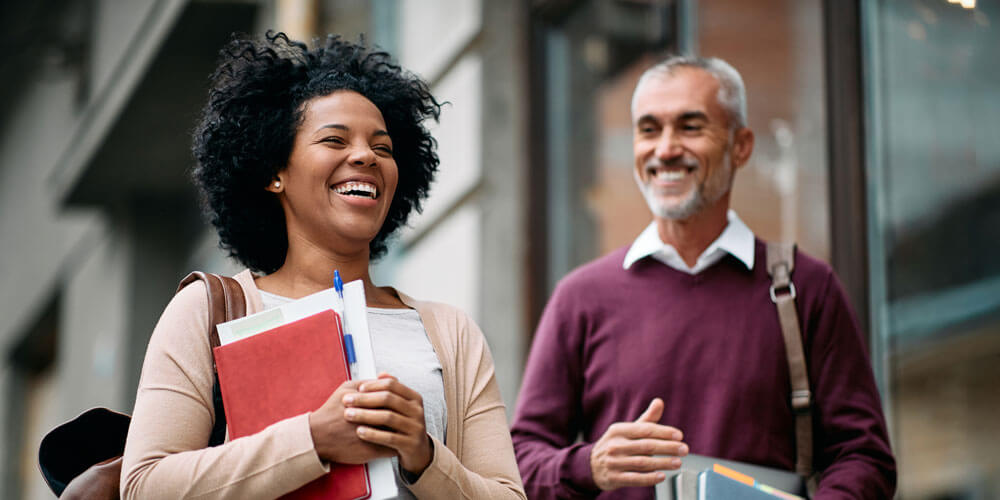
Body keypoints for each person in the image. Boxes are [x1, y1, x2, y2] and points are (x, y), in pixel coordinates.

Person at [120, 32, 525, 500]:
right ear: (274, 172)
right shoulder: (205, 311)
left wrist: (425, 455)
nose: (365, 156)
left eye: (383, 148)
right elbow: (144, 486)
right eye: (334, 139)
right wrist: (313, 439)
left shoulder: (450, 332)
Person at [510, 56, 895, 499]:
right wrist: (588, 465)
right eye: (649, 130)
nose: (665, 149)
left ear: (741, 145)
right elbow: (518, 462)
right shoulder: (580, 298)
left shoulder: (807, 289)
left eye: (690, 127)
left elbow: (864, 457)